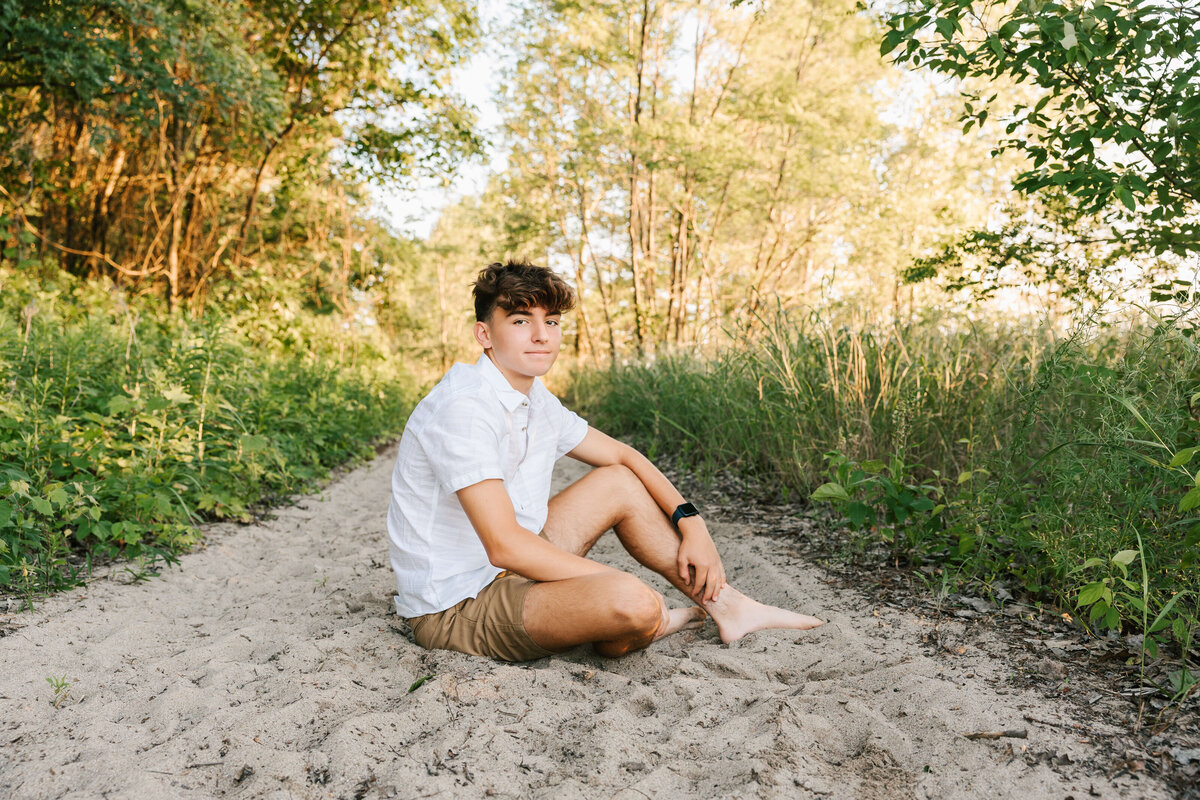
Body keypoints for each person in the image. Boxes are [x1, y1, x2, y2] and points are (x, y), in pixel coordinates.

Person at [387, 259, 823, 662]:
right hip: (458, 604)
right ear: (485, 334)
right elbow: (504, 545)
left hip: (509, 570)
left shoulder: (533, 397)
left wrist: (694, 524)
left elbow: (623, 456)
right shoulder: (463, 407)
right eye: (521, 321)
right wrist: (608, 581)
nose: (542, 335)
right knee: (631, 600)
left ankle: (729, 607)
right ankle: (637, 619)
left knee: (618, 481)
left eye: (551, 321)